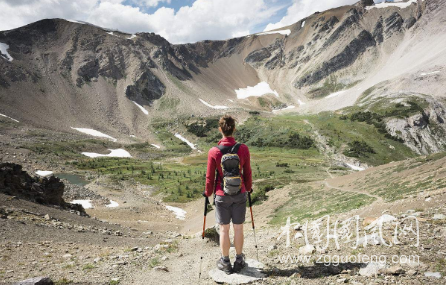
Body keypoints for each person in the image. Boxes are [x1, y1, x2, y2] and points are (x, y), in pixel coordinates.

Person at [203, 114, 252, 274]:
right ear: (234, 129)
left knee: (224, 230)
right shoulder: (243, 148)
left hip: (221, 195)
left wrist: (207, 193)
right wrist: (248, 187)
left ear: (220, 129)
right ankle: (239, 260)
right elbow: (247, 172)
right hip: (240, 193)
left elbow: (210, 176)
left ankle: (225, 262)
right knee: (238, 228)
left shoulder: (214, 151)